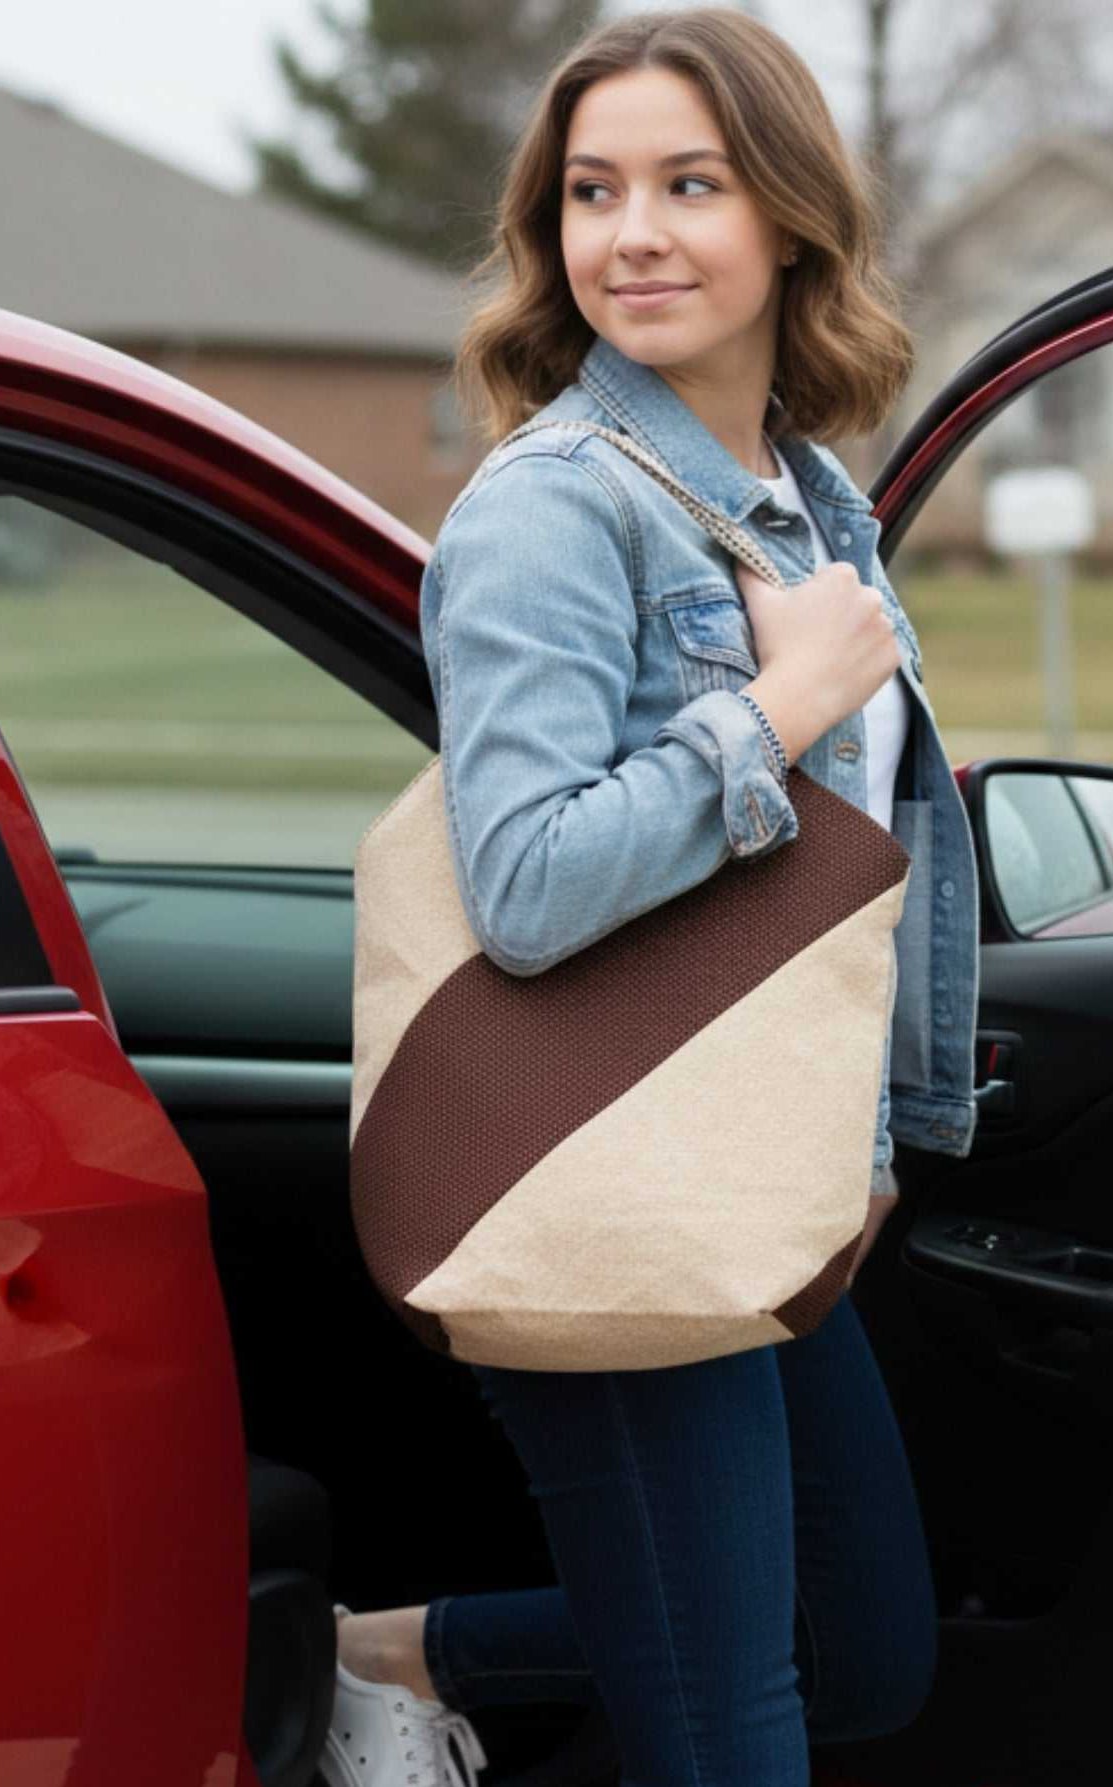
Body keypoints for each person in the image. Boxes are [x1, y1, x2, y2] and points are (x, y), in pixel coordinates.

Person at [319, 11, 980, 1785]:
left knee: (868, 1653)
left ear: (787, 219)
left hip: (769, 1175)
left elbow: (846, 853)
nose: (632, 235)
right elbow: (526, 884)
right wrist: (768, 710)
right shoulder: (548, 511)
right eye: (592, 192)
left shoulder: (810, 500)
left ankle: (396, 1656)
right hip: (599, 1166)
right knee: (733, 1731)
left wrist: (875, 1117)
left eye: (690, 184)